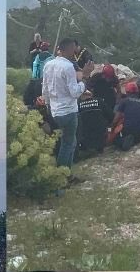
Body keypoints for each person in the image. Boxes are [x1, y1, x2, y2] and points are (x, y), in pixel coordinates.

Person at [42, 38, 94, 176]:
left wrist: (48, 105)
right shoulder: (68, 67)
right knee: (67, 144)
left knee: (70, 142)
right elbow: (75, 92)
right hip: (69, 111)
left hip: (54, 110)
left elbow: (45, 89)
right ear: (71, 50)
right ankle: (61, 177)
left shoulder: (48, 64)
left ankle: (67, 174)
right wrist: (86, 77)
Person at [76, 80, 114, 156]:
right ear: (91, 95)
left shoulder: (78, 105)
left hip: (85, 140)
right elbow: (111, 115)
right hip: (101, 138)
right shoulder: (99, 101)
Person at [112, 82, 140, 151]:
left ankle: (123, 141)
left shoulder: (124, 101)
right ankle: (135, 140)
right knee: (135, 135)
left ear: (127, 92)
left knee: (115, 140)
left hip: (129, 129)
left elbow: (116, 119)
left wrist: (112, 129)